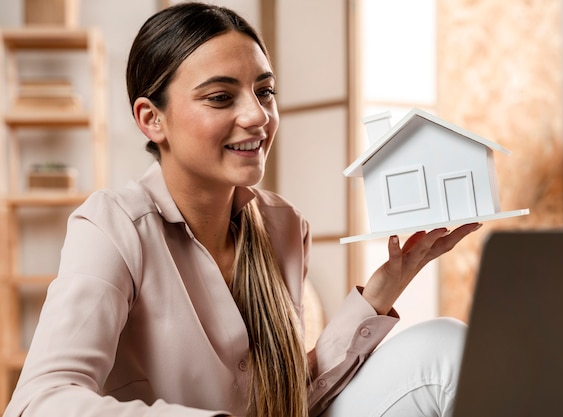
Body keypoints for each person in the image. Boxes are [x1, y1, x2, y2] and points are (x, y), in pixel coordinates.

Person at [2, 3, 481, 417]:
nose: (257, 115)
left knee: (444, 345)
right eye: (220, 97)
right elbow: (40, 402)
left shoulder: (283, 226)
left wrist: (385, 286)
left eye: (265, 91)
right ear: (152, 119)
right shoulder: (111, 227)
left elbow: (291, 399)